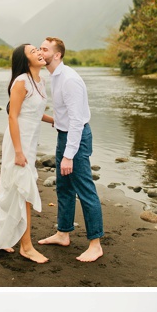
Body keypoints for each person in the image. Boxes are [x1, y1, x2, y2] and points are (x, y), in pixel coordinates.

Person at [37, 38, 104, 262]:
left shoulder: (69, 80)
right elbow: (64, 115)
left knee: (85, 190)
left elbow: (76, 121)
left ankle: (95, 244)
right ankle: (63, 233)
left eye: (44, 49)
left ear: (57, 55)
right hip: (64, 135)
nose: (40, 51)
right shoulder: (55, 77)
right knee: (64, 188)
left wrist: (68, 155)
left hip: (76, 138)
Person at [0, 44, 54, 263]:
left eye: (38, 50)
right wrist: (17, 151)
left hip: (31, 142)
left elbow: (33, 112)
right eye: (33, 52)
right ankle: (26, 246)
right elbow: (13, 116)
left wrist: (54, 121)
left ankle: (1, 239)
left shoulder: (40, 81)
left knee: (12, 192)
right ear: (25, 61)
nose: (39, 53)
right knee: (21, 190)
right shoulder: (21, 81)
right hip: (18, 142)